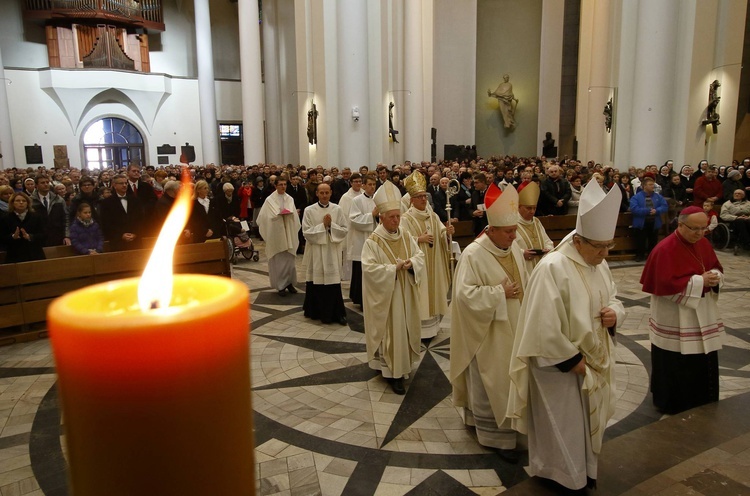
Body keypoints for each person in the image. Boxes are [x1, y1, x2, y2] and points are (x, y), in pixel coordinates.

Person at [508, 180, 625, 493]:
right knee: (564, 426)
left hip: (593, 360)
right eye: (599, 247)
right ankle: (559, 475)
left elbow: (612, 296)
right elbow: (541, 323)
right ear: (578, 240)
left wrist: (615, 313)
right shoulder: (554, 267)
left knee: (585, 426)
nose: (604, 254)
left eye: (607, 247)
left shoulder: (597, 263)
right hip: (559, 367)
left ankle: (584, 471)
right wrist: (571, 360)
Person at [450, 183, 525, 463]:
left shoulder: (513, 248)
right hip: (487, 333)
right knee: (490, 382)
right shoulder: (473, 254)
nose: (514, 236)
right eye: (508, 232)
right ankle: (493, 437)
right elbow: (463, 296)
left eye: (515, 231)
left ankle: (510, 430)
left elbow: (523, 282)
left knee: (509, 379)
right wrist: (498, 294)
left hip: (514, 328)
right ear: (491, 230)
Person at [640, 206, 724, 414]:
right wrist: (699, 281)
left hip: (702, 313)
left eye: (703, 228)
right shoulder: (664, 249)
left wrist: (714, 276)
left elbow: (716, 267)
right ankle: (673, 402)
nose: (699, 234)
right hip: (675, 316)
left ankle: (704, 397)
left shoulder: (703, 243)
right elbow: (664, 286)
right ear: (680, 224)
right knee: (675, 360)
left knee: (702, 358)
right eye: (694, 229)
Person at [362, 180, 425, 395]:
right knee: (392, 333)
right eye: (392, 217)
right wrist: (391, 269)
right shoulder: (373, 241)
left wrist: (411, 265)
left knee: (404, 330)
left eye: (398, 216)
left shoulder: (406, 235)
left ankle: (403, 368)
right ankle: (392, 373)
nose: (397, 220)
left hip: (406, 292)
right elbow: (369, 269)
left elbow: (419, 255)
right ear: (381, 217)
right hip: (388, 297)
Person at [401, 171, 453, 341]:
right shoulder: (406, 218)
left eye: (424, 196)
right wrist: (419, 239)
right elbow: (402, 240)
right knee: (421, 295)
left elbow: (440, 230)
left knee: (433, 292)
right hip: (419, 266)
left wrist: (447, 232)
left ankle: (433, 328)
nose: (424, 199)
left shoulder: (433, 215)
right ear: (412, 200)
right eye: (419, 196)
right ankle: (420, 330)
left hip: (434, 263)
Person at [301, 183, 349, 325]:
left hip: (332, 250)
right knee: (317, 282)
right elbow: (306, 232)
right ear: (316, 193)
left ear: (331, 193)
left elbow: (344, 229)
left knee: (333, 282)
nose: (324, 195)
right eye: (321, 193)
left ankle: (337, 313)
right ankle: (316, 311)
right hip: (316, 251)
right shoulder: (309, 210)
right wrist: (323, 226)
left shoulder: (337, 209)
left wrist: (330, 226)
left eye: (326, 192)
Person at [258, 174, 301, 296]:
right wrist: (278, 215)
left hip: (289, 232)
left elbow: (294, 217)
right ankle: (280, 285)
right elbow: (264, 218)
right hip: (276, 234)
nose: (283, 187)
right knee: (279, 261)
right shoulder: (269, 200)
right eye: (280, 184)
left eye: (285, 184)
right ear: (275, 186)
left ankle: (290, 283)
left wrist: (290, 214)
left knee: (290, 261)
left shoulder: (290, 199)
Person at [348, 173, 378, 308]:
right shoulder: (357, 200)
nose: (372, 187)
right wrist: (371, 215)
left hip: (375, 239)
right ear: (364, 185)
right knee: (361, 270)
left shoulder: (378, 199)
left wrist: (378, 218)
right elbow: (354, 220)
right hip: (361, 240)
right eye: (370, 184)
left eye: (374, 184)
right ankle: (360, 299)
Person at [514, 182, 553, 276]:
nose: (532, 211)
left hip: (541, 266)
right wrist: (522, 253)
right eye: (528, 208)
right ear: (519, 206)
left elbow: (547, 241)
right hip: (524, 266)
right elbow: (507, 248)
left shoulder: (536, 221)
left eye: (534, 208)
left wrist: (548, 249)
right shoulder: (512, 223)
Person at [99, 174, 145, 251]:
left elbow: (141, 219)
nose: (124, 185)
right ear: (114, 185)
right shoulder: (107, 203)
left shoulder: (135, 200)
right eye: (121, 183)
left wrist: (135, 233)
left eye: (125, 183)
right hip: (117, 241)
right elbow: (106, 223)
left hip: (135, 240)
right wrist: (121, 235)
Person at [630, 176, 668, 262]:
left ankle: (652, 257)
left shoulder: (658, 196)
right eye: (650, 184)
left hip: (654, 222)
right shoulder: (636, 197)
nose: (652, 186)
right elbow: (634, 209)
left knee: (653, 241)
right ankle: (640, 256)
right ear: (644, 186)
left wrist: (657, 210)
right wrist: (648, 211)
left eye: (653, 184)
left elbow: (664, 206)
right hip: (641, 223)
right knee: (640, 241)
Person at [0, 192, 46, 263]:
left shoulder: (36, 217)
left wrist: (30, 236)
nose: (21, 203)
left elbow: (43, 235)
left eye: (24, 201)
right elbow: (2, 237)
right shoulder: (5, 218)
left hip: (34, 254)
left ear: (28, 203)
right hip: (15, 255)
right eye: (18, 201)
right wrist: (12, 237)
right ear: (12, 203)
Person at [31, 175, 70, 247]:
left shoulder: (59, 199)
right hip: (39, 238)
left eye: (47, 182)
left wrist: (66, 236)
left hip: (57, 236)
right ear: (36, 185)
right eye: (42, 183)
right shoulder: (31, 201)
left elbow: (66, 218)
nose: (46, 184)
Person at [338, 173, 363, 281]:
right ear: (351, 183)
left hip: (363, 227)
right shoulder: (346, 197)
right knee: (349, 250)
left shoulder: (365, 194)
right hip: (351, 228)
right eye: (355, 181)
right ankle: (348, 275)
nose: (358, 183)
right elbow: (342, 214)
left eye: (359, 181)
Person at [189, 179, 220, 244]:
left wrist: (212, 229)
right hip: (200, 234)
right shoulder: (193, 204)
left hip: (213, 233)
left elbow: (217, 217)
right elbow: (193, 221)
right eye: (205, 188)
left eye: (207, 188)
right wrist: (204, 231)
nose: (207, 190)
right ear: (198, 190)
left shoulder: (212, 202)